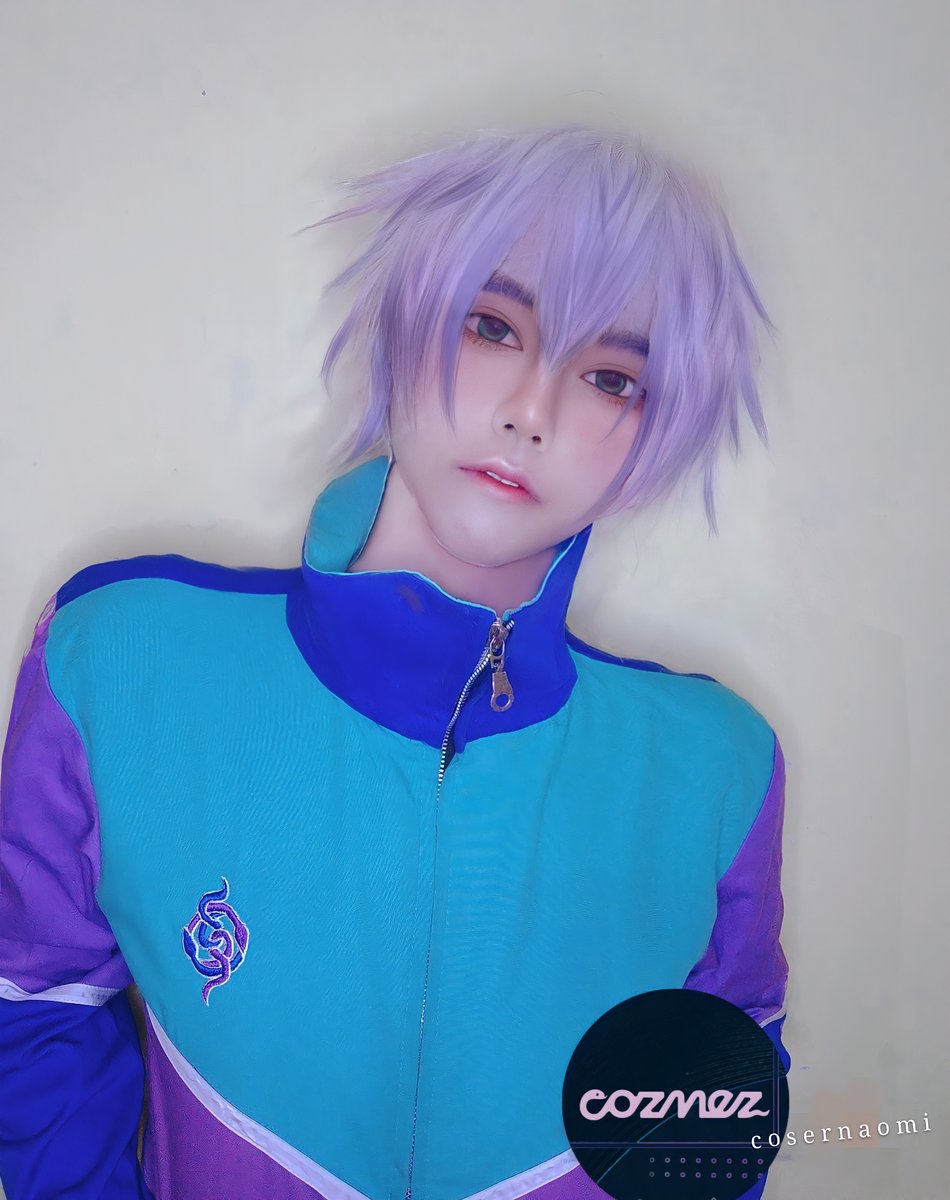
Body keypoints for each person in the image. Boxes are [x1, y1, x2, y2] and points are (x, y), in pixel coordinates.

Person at [0, 126, 789, 1200]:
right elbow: (36, 1008)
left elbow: (720, 1097)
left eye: (611, 378)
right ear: (408, 319)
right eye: (492, 325)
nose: (531, 412)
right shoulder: (116, 659)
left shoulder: (717, 766)